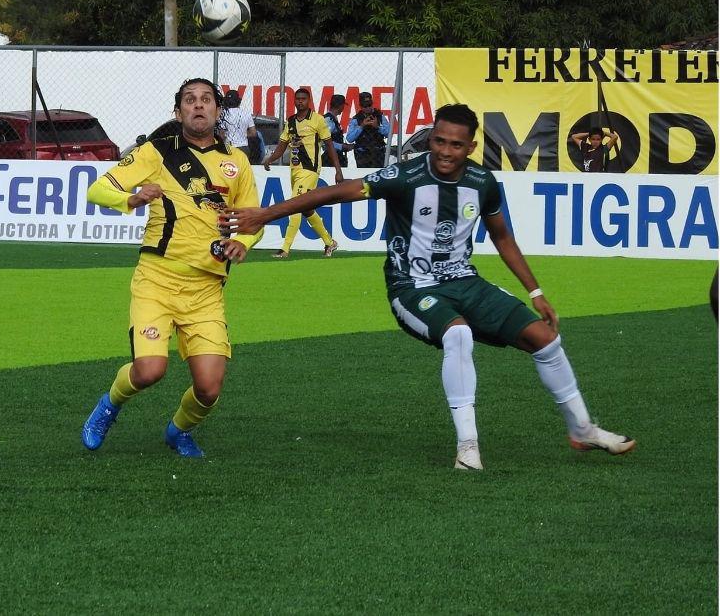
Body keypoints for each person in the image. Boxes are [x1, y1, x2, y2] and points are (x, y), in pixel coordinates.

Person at [224, 102, 635, 471]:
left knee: (545, 340)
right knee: (458, 334)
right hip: (411, 287)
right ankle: (468, 446)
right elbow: (337, 192)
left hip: (465, 280)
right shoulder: (405, 174)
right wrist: (267, 214)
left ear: (469, 148)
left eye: (455, 145)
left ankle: (583, 429)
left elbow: (503, 238)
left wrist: (536, 292)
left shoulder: (482, 182)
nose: (443, 151)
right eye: (438, 141)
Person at [80, 78, 263, 459]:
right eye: (189, 100)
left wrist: (241, 242)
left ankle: (179, 430)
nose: (198, 105)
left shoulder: (237, 162)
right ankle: (108, 406)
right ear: (178, 112)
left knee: (210, 388)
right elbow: (97, 189)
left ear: (218, 111)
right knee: (149, 370)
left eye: (206, 100)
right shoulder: (155, 152)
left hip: (207, 289)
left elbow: (253, 220)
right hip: (157, 279)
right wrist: (133, 196)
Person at [260, 88, 343, 258]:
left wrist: (338, 170)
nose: (300, 102)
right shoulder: (290, 122)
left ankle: (285, 248)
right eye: (297, 99)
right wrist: (270, 159)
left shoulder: (318, 120)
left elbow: (329, 145)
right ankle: (329, 243)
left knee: (295, 204)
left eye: (303, 99)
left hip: (310, 170)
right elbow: (282, 146)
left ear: (309, 100)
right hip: (295, 170)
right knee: (306, 209)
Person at [346, 91, 390, 168]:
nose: (367, 108)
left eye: (369, 105)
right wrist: (362, 126)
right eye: (364, 106)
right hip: (362, 155)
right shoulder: (356, 119)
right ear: (360, 106)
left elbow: (389, 133)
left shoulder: (379, 116)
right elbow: (349, 138)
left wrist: (378, 127)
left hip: (378, 153)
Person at [217, 89, 261, 161]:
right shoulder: (246, 114)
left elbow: (222, 135)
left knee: (229, 170)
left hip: (229, 148)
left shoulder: (223, 115)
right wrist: (243, 134)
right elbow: (254, 133)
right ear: (239, 101)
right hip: (244, 148)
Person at [323, 93, 348, 168]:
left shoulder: (333, 118)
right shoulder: (329, 120)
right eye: (343, 106)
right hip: (330, 158)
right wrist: (341, 146)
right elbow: (324, 141)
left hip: (334, 156)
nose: (343, 108)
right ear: (340, 106)